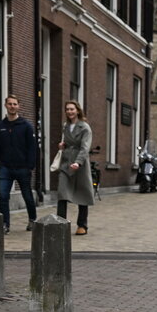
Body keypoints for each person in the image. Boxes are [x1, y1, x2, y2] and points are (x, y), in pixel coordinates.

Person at [0, 95, 37, 234]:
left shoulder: (26, 126)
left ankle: (32, 219)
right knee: (3, 196)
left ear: (18, 106)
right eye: (10, 104)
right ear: (5, 105)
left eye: (15, 104)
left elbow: (32, 148)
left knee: (27, 196)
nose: (12, 106)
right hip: (5, 168)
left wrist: (30, 167)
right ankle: (5, 224)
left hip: (23, 169)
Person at [55, 101, 96, 235]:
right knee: (62, 193)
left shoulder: (85, 128)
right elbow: (67, 142)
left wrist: (78, 162)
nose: (69, 111)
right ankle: (60, 224)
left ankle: (82, 225)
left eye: (72, 109)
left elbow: (85, 148)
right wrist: (62, 146)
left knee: (82, 193)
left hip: (80, 165)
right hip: (66, 163)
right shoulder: (65, 126)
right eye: (67, 109)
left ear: (78, 110)